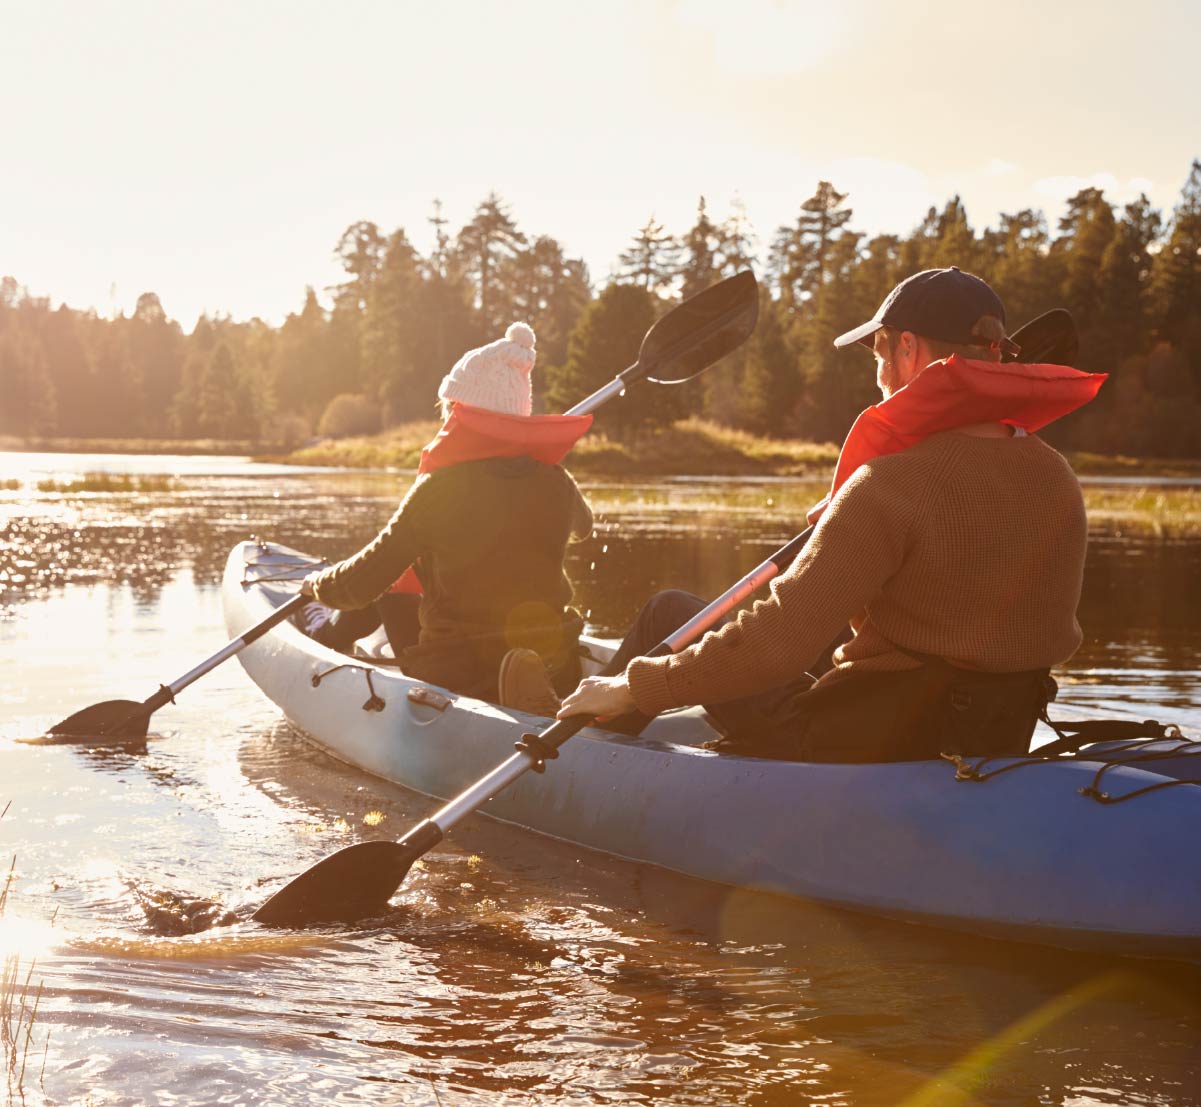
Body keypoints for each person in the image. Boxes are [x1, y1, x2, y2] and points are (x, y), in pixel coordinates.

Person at [506, 267, 1106, 762]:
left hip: (868, 744)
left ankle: (584, 748)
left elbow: (777, 645)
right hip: (991, 731)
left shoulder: (890, 485)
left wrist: (633, 686)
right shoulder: (1056, 476)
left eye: (877, 349)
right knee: (797, 643)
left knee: (669, 610)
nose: (876, 371)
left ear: (906, 348)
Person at [299, 322, 594, 704]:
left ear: (460, 412)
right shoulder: (557, 480)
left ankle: (324, 634)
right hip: (554, 663)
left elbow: (360, 584)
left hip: (465, 673)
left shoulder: (441, 489)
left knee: (387, 592)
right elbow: (583, 529)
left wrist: (316, 585)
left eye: (448, 409)